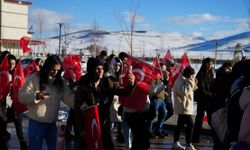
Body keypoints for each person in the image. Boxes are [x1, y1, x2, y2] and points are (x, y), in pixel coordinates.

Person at [74, 57, 135, 150]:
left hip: (103, 123)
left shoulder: (108, 83)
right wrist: (81, 130)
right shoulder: (83, 86)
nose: (100, 71)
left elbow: (125, 92)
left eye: (102, 68)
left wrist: (131, 83)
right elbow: (77, 109)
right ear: (91, 70)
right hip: (87, 124)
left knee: (108, 146)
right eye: (97, 68)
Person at [18, 55, 75, 150]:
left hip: (51, 124)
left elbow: (69, 98)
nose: (55, 72)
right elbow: (21, 96)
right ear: (47, 67)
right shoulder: (34, 78)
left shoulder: (60, 83)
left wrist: (84, 106)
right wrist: (36, 96)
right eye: (53, 69)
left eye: (58, 70)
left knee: (56, 148)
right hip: (36, 123)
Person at [172, 66, 197, 150]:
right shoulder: (179, 80)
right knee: (190, 124)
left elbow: (190, 89)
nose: (193, 77)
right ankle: (188, 145)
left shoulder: (184, 79)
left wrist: (194, 83)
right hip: (183, 106)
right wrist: (191, 81)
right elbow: (184, 92)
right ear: (189, 75)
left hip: (185, 105)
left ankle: (176, 143)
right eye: (192, 76)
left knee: (180, 125)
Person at [6, 54, 27, 150]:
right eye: (9, 64)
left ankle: (22, 143)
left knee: (18, 123)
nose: (11, 66)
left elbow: (23, 85)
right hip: (5, 105)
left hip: (16, 103)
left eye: (13, 64)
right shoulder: (3, 74)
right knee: (3, 123)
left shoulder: (17, 74)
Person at [192, 57, 214, 144]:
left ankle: (216, 137)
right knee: (199, 120)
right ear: (205, 64)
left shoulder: (211, 73)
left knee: (212, 120)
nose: (210, 66)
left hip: (209, 100)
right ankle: (195, 138)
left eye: (211, 64)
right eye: (208, 64)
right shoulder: (200, 74)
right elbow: (201, 89)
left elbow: (212, 85)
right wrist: (211, 95)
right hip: (202, 100)